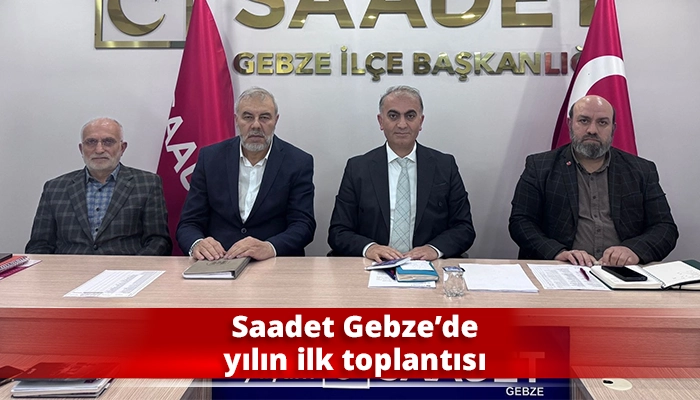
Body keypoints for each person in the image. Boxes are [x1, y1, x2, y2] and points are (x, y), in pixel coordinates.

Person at [509, 95, 678, 266]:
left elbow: (665, 227)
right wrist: (557, 252)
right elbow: (521, 222)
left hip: (622, 271)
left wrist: (634, 250)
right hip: (563, 269)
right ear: (570, 124)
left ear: (613, 128)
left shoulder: (642, 170)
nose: (592, 130)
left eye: (602, 122)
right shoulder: (540, 167)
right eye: (584, 121)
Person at [328, 85, 475, 262]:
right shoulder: (358, 168)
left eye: (410, 116)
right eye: (393, 116)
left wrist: (434, 249)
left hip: (427, 266)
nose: (402, 124)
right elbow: (338, 232)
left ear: (421, 121)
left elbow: (464, 228)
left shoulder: (445, 166)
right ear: (381, 121)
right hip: (373, 266)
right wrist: (369, 248)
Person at [177, 87, 315, 261]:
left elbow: (303, 225)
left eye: (264, 117)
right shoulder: (210, 158)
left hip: (272, 263)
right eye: (248, 117)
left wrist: (270, 247)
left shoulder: (298, 162)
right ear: (237, 120)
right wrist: (197, 243)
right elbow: (189, 223)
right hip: (218, 261)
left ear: (276, 120)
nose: (256, 125)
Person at [26, 117, 172, 255]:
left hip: (126, 270)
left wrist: (133, 269)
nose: (99, 149)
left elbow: (158, 241)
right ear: (81, 149)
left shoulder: (147, 184)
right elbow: (39, 245)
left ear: (122, 148)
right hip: (69, 270)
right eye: (91, 142)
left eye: (108, 142)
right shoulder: (55, 188)